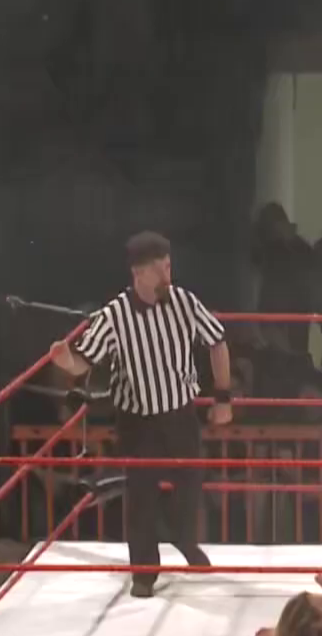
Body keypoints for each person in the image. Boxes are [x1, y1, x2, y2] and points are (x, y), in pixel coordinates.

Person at [51, 231, 233, 598]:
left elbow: (218, 341)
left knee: (190, 484)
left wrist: (223, 398)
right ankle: (145, 570)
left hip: (180, 411)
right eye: (160, 269)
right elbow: (83, 361)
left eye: (169, 266)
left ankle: (185, 539)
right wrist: (65, 360)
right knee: (141, 494)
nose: (168, 275)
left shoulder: (183, 301)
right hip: (138, 418)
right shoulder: (115, 315)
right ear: (138, 273)